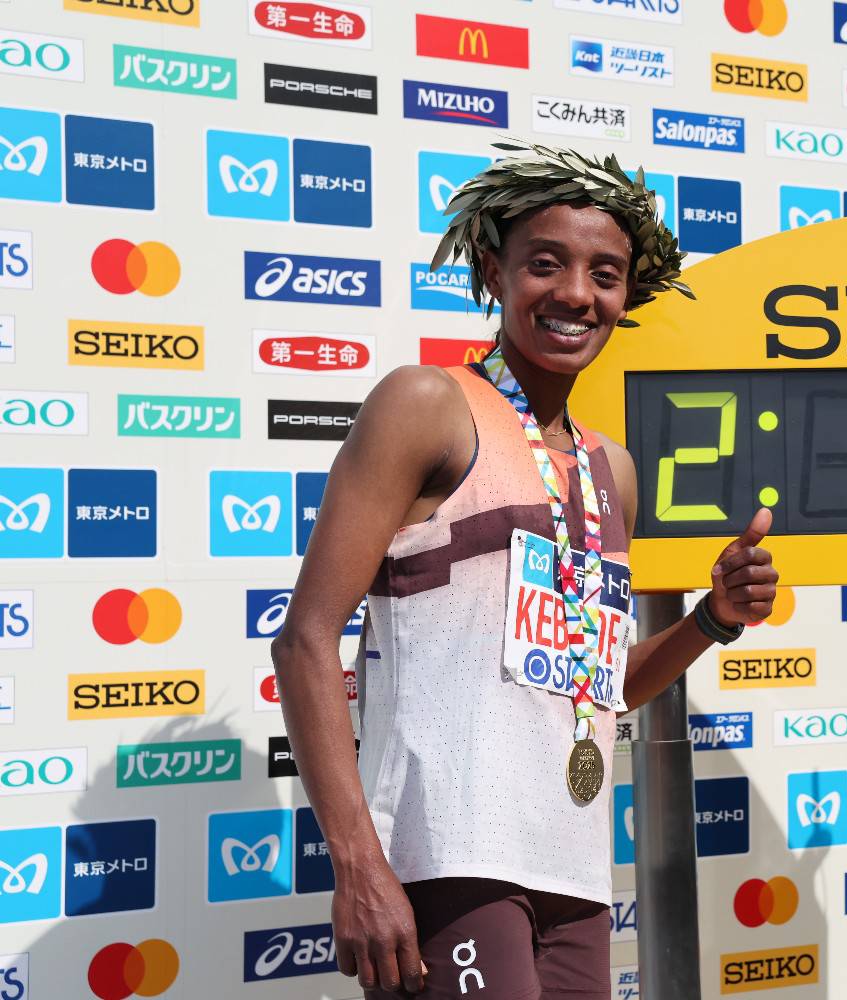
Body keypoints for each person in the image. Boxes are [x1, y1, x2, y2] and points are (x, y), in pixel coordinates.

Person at [270, 139, 779, 1000]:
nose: (577, 293)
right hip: (445, 860)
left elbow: (597, 685)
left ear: (628, 294)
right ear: (493, 268)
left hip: (573, 874)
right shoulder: (425, 404)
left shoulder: (610, 468)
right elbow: (306, 640)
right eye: (547, 263)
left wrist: (710, 621)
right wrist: (358, 864)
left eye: (604, 273)